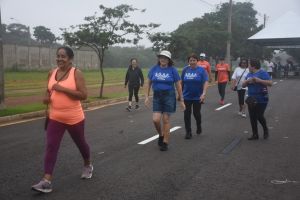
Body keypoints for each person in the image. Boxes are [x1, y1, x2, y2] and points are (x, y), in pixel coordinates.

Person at [32, 46, 93, 193]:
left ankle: (87, 165)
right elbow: (49, 90)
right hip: (55, 117)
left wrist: (63, 89)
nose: (59, 59)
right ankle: (46, 181)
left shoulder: (76, 73)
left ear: (70, 59)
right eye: (58, 56)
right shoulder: (51, 73)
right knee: (51, 146)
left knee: (81, 143)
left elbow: (83, 95)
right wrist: (46, 98)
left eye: (63, 56)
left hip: (74, 118)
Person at [145, 50, 185, 151]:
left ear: (169, 60)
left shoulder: (173, 70)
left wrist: (182, 100)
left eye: (165, 58)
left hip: (169, 96)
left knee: (166, 120)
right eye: (161, 57)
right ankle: (161, 134)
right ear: (159, 58)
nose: (163, 59)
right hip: (157, 96)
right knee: (156, 120)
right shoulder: (154, 69)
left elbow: (178, 86)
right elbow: (148, 83)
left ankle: (165, 142)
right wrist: (146, 97)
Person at [242, 59, 272, 140]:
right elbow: (243, 85)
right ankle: (255, 134)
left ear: (253, 66)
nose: (248, 66)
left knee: (259, 115)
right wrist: (247, 81)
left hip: (262, 98)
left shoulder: (263, 73)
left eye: (249, 65)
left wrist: (259, 80)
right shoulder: (249, 74)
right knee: (252, 117)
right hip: (251, 98)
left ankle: (265, 129)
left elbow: (270, 83)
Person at [181, 53, 208, 139]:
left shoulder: (201, 70)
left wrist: (203, 94)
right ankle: (188, 132)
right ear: (188, 61)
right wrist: (180, 94)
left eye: (194, 60)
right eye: (190, 60)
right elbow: (181, 82)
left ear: (197, 61)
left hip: (197, 96)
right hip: (186, 96)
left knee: (196, 114)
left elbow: (205, 82)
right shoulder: (185, 70)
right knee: (186, 114)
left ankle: (198, 125)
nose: (192, 62)